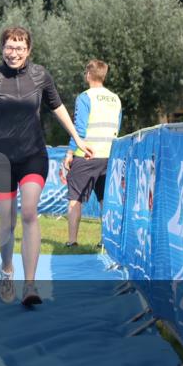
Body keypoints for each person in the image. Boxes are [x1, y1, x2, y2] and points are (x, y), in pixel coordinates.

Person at [0, 26, 86, 308]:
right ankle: (7, 269)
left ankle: (30, 284)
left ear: (28, 50)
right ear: (2, 48)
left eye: (20, 48)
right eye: (9, 47)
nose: (14, 53)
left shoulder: (40, 75)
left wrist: (77, 138)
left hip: (33, 155)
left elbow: (58, 107)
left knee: (29, 212)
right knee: (7, 222)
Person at [62, 60, 122, 247]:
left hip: (86, 155)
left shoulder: (85, 97)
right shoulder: (115, 99)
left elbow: (79, 129)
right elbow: (117, 127)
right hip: (109, 156)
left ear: (88, 75)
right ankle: (105, 241)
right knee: (105, 199)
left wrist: (70, 152)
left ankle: (72, 241)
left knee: (75, 199)